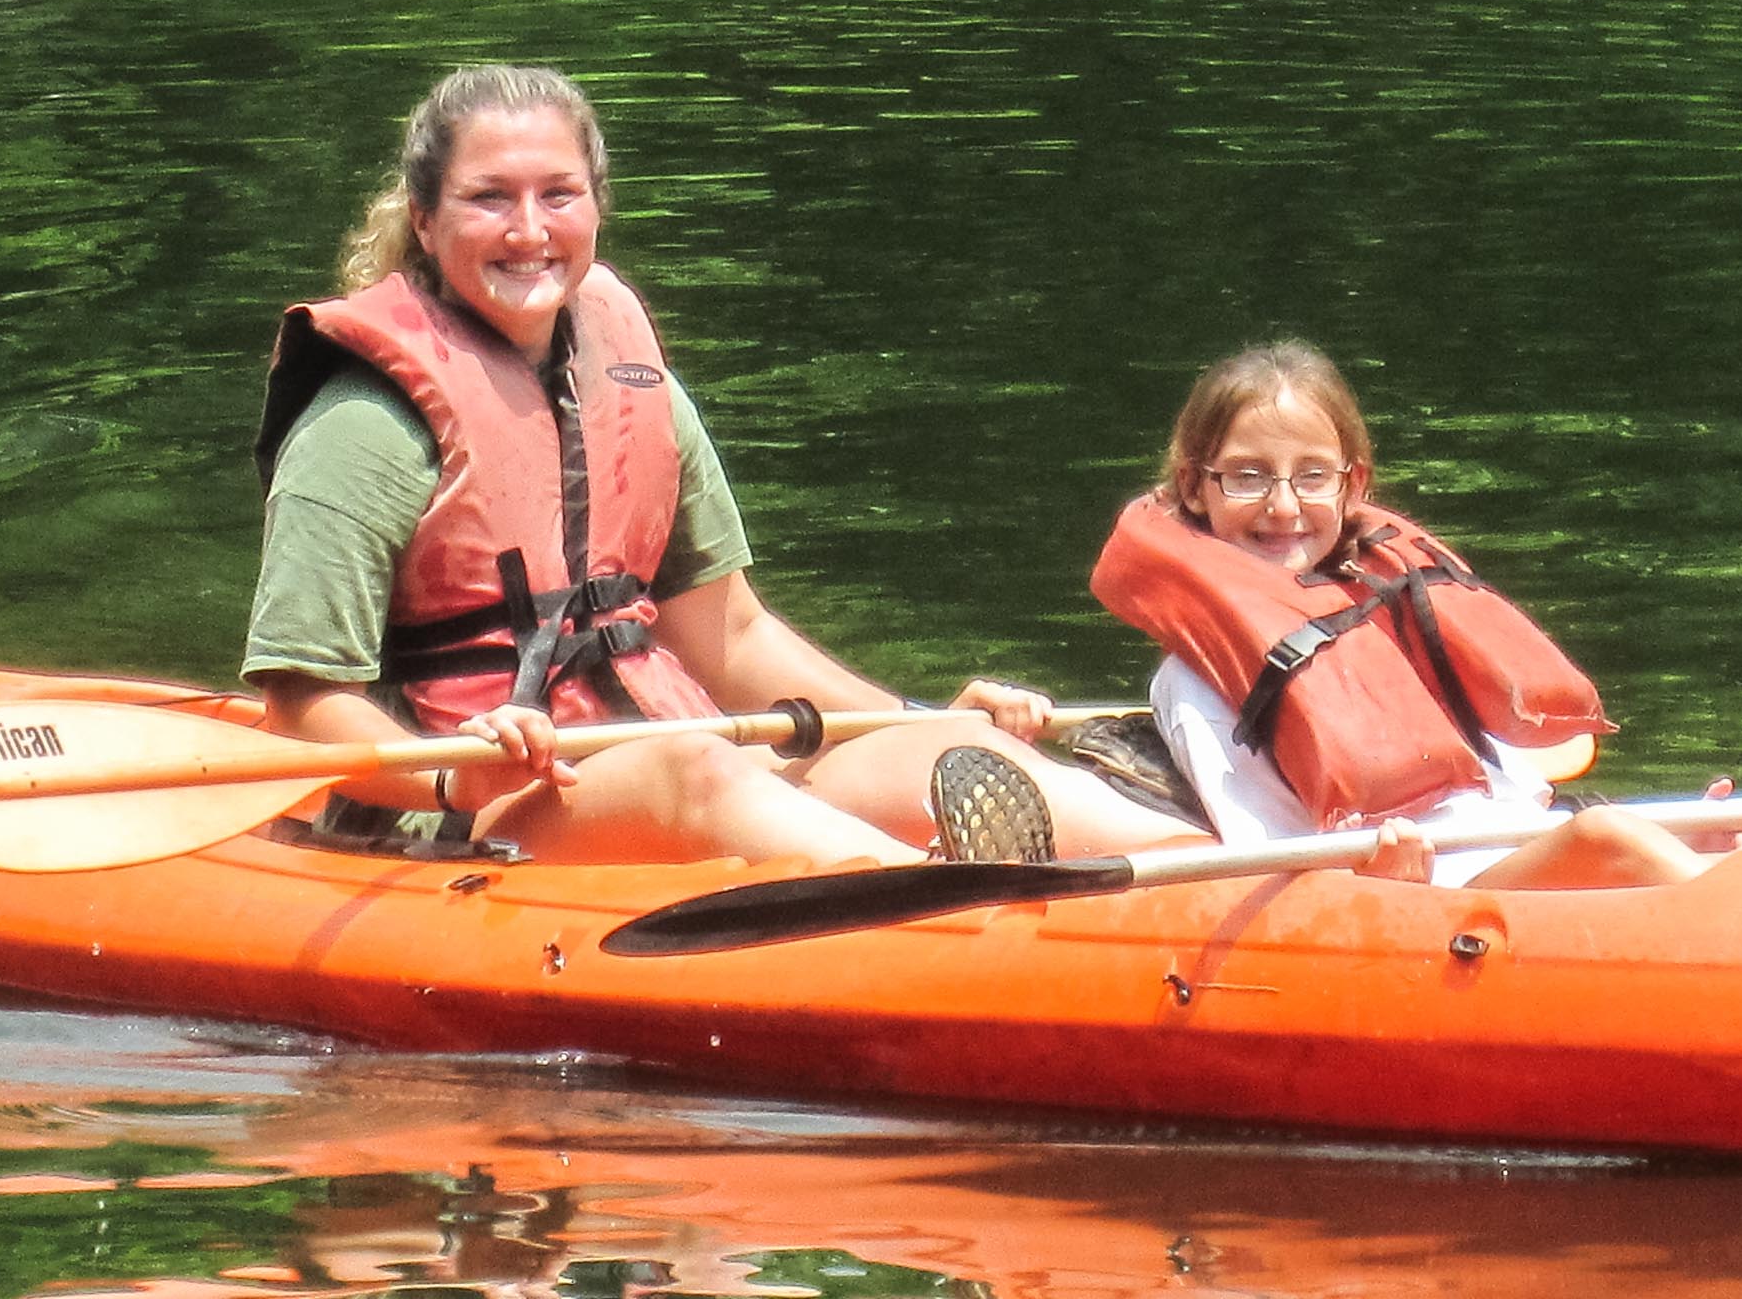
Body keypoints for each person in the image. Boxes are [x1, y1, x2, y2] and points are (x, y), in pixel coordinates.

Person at [243, 64, 1200, 866]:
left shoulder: (624, 370)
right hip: (471, 800)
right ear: (424, 217)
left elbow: (728, 635)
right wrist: (458, 769)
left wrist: (909, 716)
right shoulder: (364, 420)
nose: (529, 231)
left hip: (677, 751)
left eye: (557, 196)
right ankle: (948, 906)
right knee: (690, 769)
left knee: (948, 747)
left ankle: (1231, 877)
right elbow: (300, 704)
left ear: (596, 207)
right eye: (489, 199)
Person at [1092, 339, 1742, 888]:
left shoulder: (1395, 607)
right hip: (1444, 893)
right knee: (1607, 841)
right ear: (1194, 485)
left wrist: (1684, 838)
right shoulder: (1197, 677)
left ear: (1353, 484)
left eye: (1312, 475)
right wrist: (1374, 879)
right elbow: (1271, 853)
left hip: (1516, 848)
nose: (1284, 506)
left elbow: (1515, 792)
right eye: (1247, 476)